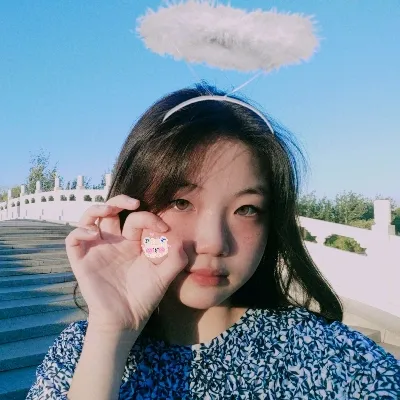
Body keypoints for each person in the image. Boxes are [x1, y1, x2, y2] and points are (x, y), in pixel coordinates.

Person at [26, 84, 400, 399]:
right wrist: (111, 333)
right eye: (181, 202)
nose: (214, 242)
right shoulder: (80, 352)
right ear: (131, 207)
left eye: (247, 209)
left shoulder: (332, 360)